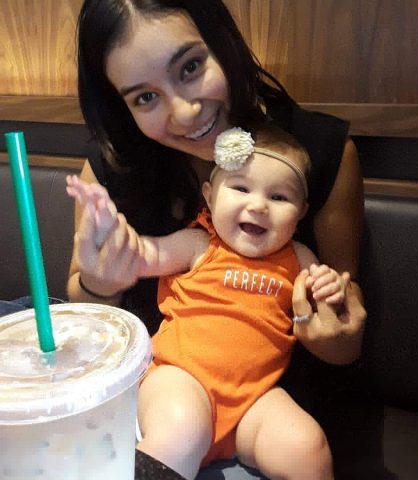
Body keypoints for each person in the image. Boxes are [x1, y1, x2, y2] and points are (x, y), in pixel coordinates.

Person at [69, 0, 367, 476]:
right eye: (144, 98)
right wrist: (102, 281)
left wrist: (334, 331)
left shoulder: (318, 153)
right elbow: (82, 300)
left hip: (264, 403)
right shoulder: (114, 166)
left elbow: (344, 325)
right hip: (161, 396)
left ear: (223, 43)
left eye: (190, 67)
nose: (185, 112)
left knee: (307, 448)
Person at [67, 125, 349, 479]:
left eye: (279, 197)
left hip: (255, 400)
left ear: (301, 212)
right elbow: (143, 254)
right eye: (241, 188)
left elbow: (325, 306)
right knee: (182, 429)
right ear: (210, 197)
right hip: (179, 379)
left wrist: (330, 289)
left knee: (307, 446)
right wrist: (108, 228)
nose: (258, 205)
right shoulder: (200, 244)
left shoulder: (300, 259)